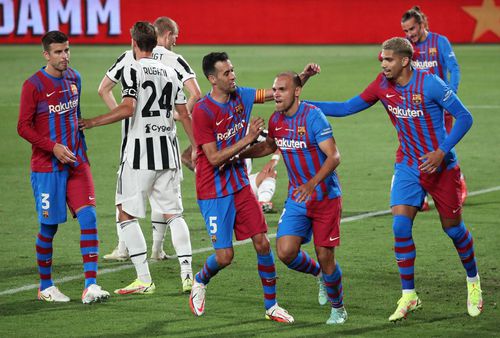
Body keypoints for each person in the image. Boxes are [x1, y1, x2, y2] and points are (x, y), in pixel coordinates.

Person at [308, 37, 482, 321]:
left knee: (453, 230)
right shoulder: (381, 84)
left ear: (404, 60)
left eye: (388, 59)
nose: (383, 64)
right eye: (381, 59)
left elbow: (464, 117)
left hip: (441, 167)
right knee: (400, 226)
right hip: (408, 166)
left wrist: (441, 152)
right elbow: (347, 107)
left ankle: (473, 282)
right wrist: (304, 105)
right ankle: (409, 295)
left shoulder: (431, 84)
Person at [189, 51, 319, 322]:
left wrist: (302, 78)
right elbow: (212, 158)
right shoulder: (202, 111)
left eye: (233, 70)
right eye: (226, 73)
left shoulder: (243, 95)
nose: (233, 75)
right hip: (212, 189)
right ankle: (200, 281)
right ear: (213, 79)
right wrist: (248, 139)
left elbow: (278, 93)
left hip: (239, 184)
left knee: (262, 242)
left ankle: (271, 306)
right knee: (224, 257)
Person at [79, 21, 195, 295]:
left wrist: (93, 122)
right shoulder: (170, 71)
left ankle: (144, 279)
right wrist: (197, 146)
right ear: (155, 43)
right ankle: (188, 275)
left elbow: (128, 108)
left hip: (139, 154)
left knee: (125, 213)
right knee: (174, 213)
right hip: (168, 151)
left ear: (133, 43)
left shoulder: (132, 68)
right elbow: (185, 114)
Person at [240, 72, 346, 324]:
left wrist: (311, 184)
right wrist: (240, 153)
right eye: (274, 89)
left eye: (282, 89)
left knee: (325, 254)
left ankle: (338, 308)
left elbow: (334, 156)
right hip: (298, 197)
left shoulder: (313, 117)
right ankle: (319, 275)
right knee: (286, 252)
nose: (275, 93)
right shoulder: (276, 119)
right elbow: (270, 146)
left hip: (325, 197)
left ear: (296, 92)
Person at [17, 31, 110, 304]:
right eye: (58, 52)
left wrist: (80, 149)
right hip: (47, 167)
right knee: (49, 228)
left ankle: (90, 285)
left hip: (77, 163)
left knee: (90, 218)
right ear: (46, 54)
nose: (64, 56)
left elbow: (75, 117)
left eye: (67, 50)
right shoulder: (32, 85)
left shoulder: (75, 78)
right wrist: (53, 147)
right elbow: (22, 127)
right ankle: (45, 286)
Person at [401, 5, 467, 206]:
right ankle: (421, 193)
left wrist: (451, 95)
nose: (409, 34)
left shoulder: (439, 42)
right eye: (405, 31)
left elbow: (454, 69)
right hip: (415, 109)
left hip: (439, 107)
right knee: (414, 147)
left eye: (412, 29)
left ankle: (458, 182)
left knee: (442, 148)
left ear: (421, 25)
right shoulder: (406, 47)